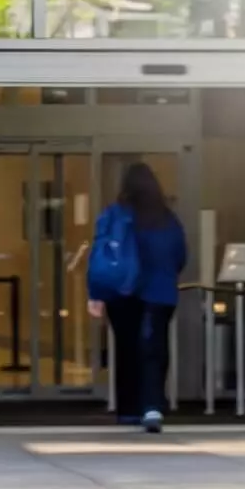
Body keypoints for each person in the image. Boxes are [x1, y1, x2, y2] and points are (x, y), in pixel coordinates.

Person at [86, 163, 189, 433]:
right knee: (154, 348)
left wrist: (96, 293)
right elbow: (180, 255)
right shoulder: (167, 218)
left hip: (123, 292)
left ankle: (129, 409)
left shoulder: (114, 215)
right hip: (161, 293)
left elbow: (100, 254)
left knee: (126, 349)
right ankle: (152, 405)